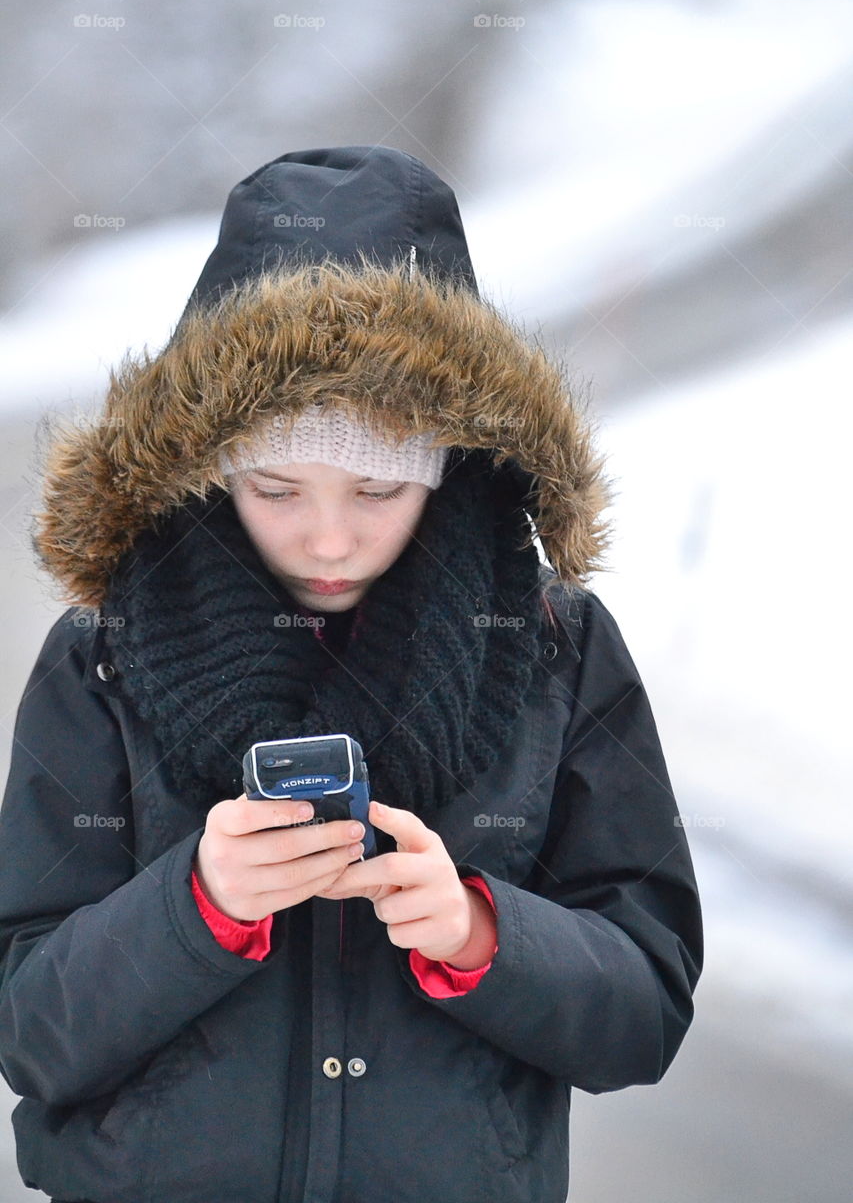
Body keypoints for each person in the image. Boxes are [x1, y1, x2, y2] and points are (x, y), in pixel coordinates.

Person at [0, 145, 703, 1203]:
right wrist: (197, 904)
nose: (328, 538)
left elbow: (641, 1013)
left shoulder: (558, 646)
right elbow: (30, 1030)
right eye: (276, 486)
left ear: (456, 460)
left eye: (379, 486)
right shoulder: (103, 652)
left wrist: (478, 931)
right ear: (208, 460)